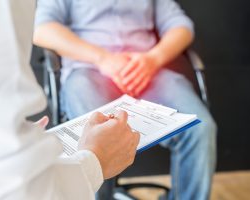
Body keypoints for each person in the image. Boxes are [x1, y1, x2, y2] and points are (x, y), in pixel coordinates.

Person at [34, 0, 217, 199]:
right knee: (95, 133)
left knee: (200, 127)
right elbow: (41, 28)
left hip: (147, 71)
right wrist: (102, 58)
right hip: (89, 71)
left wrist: (153, 59)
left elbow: (181, 26)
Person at [0, 0, 140, 199]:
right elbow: (18, 188)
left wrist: (152, 60)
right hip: (85, 72)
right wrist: (94, 161)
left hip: (145, 70)